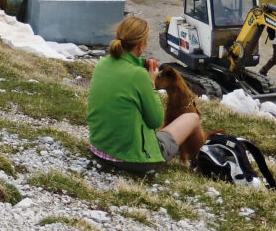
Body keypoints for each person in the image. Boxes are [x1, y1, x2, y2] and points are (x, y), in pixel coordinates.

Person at [87, 17, 204, 174]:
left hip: (99, 149)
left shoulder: (103, 63)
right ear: (141, 46)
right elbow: (155, 120)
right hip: (133, 160)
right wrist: (151, 83)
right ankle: (201, 164)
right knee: (193, 118)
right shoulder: (139, 75)